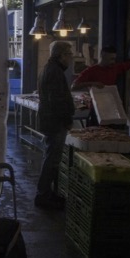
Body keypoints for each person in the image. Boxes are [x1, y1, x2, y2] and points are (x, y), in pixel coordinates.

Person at [35, 41, 75, 210]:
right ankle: (43, 195)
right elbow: (57, 101)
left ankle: (47, 193)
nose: (71, 58)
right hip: (54, 122)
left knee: (51, 158)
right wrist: (67, 120)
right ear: (61, 55)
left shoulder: (50, 69)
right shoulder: (55, 72)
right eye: (69, 54)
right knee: (52, 160)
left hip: (50, 120)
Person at [71, 45, 130, 126]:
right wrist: (92, 83)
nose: (112, 62)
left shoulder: (115, 68)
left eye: (114, 59)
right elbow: (74, 86)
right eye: (110, 59)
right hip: (96, 109)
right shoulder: (91, 71)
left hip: (112, 109)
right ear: (103, 56)